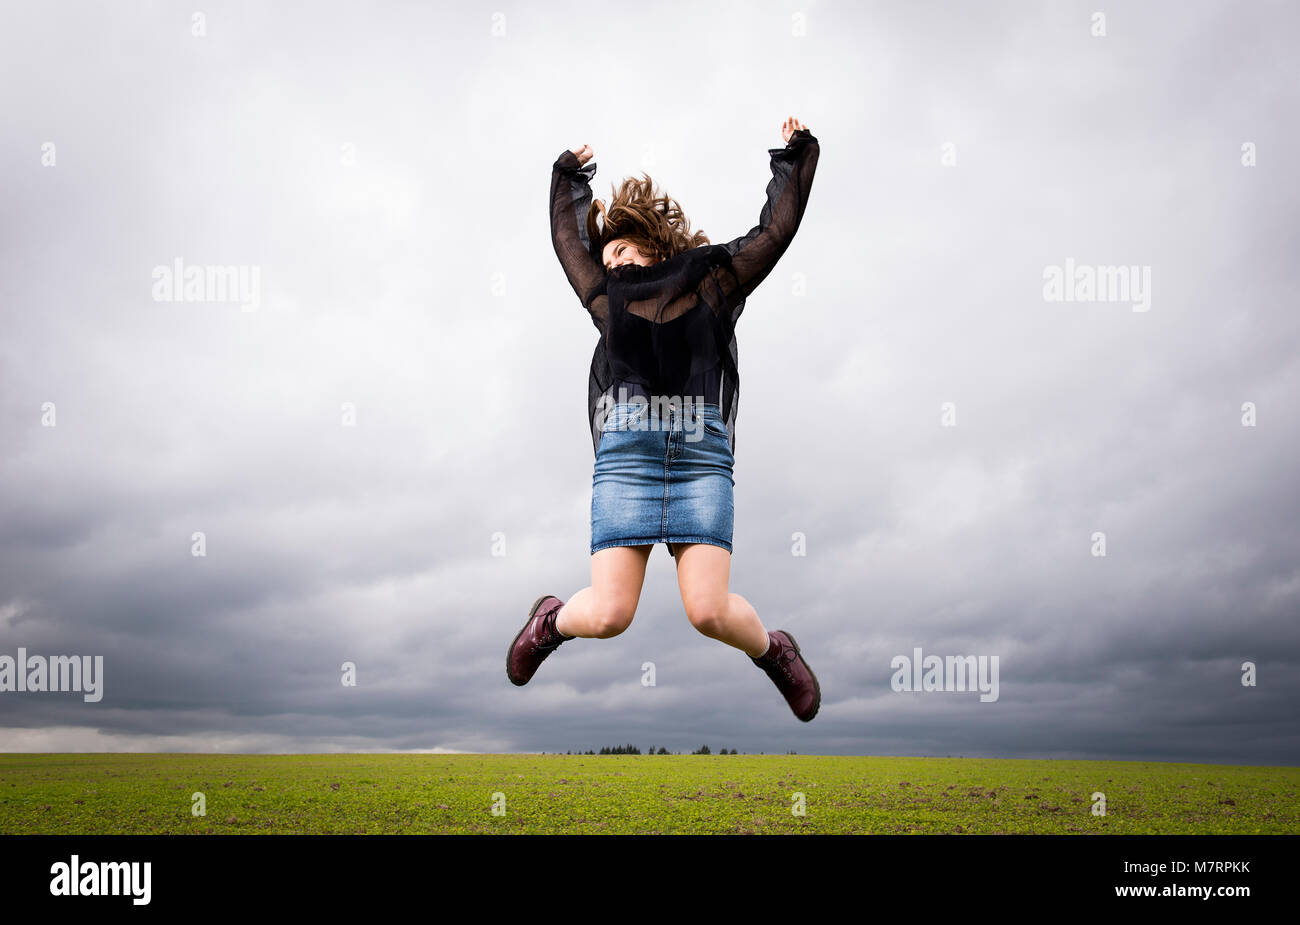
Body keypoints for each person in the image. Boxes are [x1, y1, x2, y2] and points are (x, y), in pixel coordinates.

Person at [507, 117, 822, 721]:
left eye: (622, 247)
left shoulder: (711, 281)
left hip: (700, 457)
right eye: (608, 256)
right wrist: (565, 177)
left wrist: (795, 155)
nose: (614, 260)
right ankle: (549, 622)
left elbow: (774, 234)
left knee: (708, 611)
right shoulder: (606, 298)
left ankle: (774, 652)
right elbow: (569, 245)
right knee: (607, 615)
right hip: (628, 458)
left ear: (654, 246)